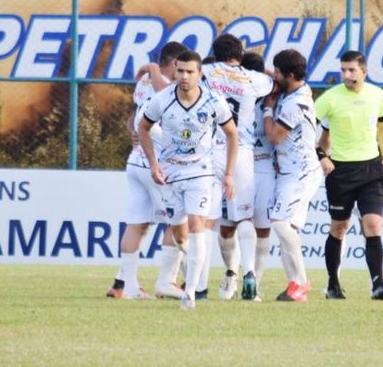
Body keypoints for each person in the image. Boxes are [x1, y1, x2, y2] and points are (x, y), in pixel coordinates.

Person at [139, 50, 238, 310]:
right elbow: (143, 128)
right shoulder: (162, 100)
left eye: (190, 71)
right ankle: (191, 265)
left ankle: (191, 293)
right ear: (174, 70)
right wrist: (153, 164)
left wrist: (228, 174)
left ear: (200, 74)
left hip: (201, 173)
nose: (184, 76)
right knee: (181, 237)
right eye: (180, 71)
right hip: (171, 174)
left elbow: (232, 135)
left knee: (198, 228)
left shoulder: (214, 101)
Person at [315, 50, 383, 300]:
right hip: (341, 172)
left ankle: (378, 285)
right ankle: (333, 284)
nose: (346, 75)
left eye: (352, 70)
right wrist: (322, 155)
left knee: (373, 225)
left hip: (372, 170)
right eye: (343, 70)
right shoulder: (329, 99)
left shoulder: (377, 95)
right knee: (339, 228)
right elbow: (305, 126)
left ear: (364, 72)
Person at [106, 41, 187, 300]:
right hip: (156, 164)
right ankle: (167, 281)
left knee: (137, 224)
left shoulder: (143, 83)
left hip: (136, 161)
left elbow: (136, 116)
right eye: (181, 68)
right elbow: (164, 93)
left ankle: (126, 286)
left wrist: (134, 131)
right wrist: (153, 68)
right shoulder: (167, 85)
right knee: (178, 223)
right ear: (174, 64)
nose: (185, 75)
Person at [202, 34, 275, 301]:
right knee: (245, 218)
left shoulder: (206, 71)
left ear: (215, 52)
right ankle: (249, 274)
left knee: (208, 218)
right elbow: (272, 79)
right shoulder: (254, 78)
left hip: (209, 148)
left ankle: (201, 282)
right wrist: (245, 67)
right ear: (240, 54)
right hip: (241, 151)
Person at [262, 49, 323, 301]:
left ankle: (301, 282)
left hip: (302, 171)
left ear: (289, 74)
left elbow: (275, 137)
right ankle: (294, 286)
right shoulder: (292, 92)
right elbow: (272, 76)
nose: (273, 76)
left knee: (279, 222)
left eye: (277, 72)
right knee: (287, 230)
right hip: (289, 172)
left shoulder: (297, 102)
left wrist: (267, 110)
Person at [241, 51, 273, 298]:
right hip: (264, 168)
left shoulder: (233, 93)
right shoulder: (274, 96)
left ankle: (240, 274)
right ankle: (255, 282)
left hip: (241, 164)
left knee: (240, 222)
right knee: (263, 228)